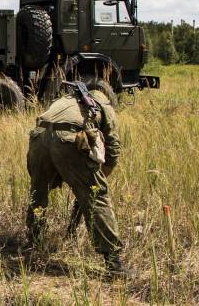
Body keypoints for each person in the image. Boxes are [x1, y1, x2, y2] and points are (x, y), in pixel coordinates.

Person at [25, 86, 126, 278]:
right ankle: (114, 262)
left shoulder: (66, 100)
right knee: (97, 197)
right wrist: (95, 184)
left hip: (39, 136)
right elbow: (112, 150)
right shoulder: (104, 106)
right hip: (67, 137)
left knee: (39, 192)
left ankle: (33, 241)